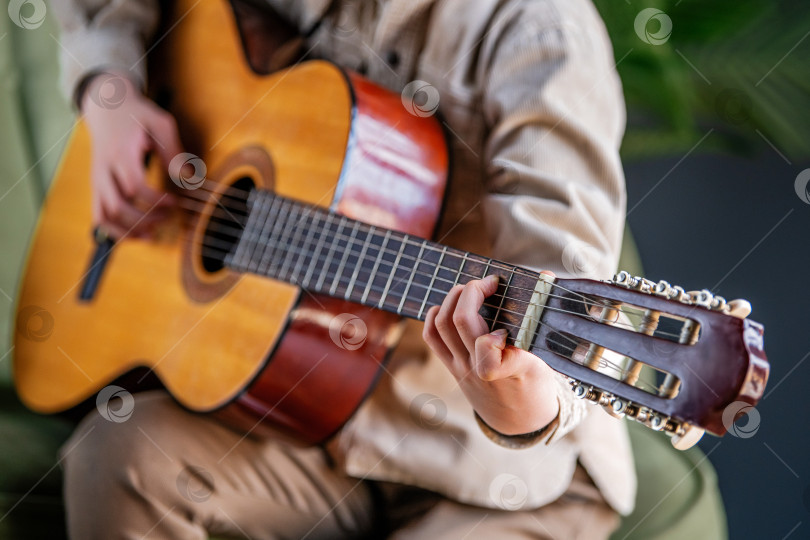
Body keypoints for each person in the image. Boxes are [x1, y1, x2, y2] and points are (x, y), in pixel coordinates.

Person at [51, 0, 636, 538]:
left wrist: (518, 396)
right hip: (302, 423)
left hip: (496, 479)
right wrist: (111, 91)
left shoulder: (541, 31)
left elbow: (560, 286)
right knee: (115, 458)